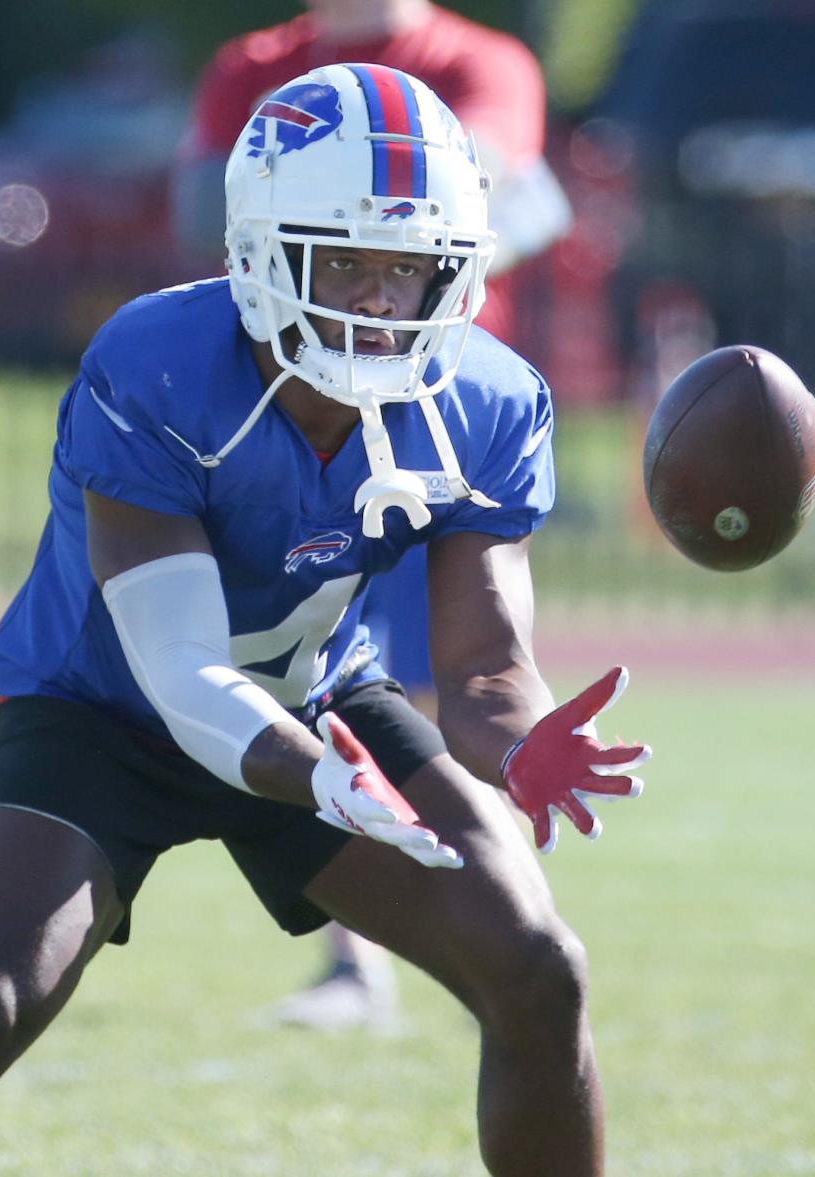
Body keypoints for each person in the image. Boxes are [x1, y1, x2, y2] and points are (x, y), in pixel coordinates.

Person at [0, 66, 649, 1177]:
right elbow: (180, 666)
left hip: (323, 703)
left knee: (538, 965)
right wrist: (315, 779)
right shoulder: (156, 366)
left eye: (412, 266)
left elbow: (485, 660)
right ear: (258, 251)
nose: (380, 300)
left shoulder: (487, 399)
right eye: (345, 258)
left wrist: (524, 739)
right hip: (108, 716)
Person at [173, 0, 574, 1028]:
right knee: (304, 686)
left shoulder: (481, 61)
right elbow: (199, 222)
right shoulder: (252, 64)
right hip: (289, 420)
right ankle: (370, 958)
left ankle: (496, 920)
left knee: (445, 684)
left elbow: (508, 207)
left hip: (432, 428)